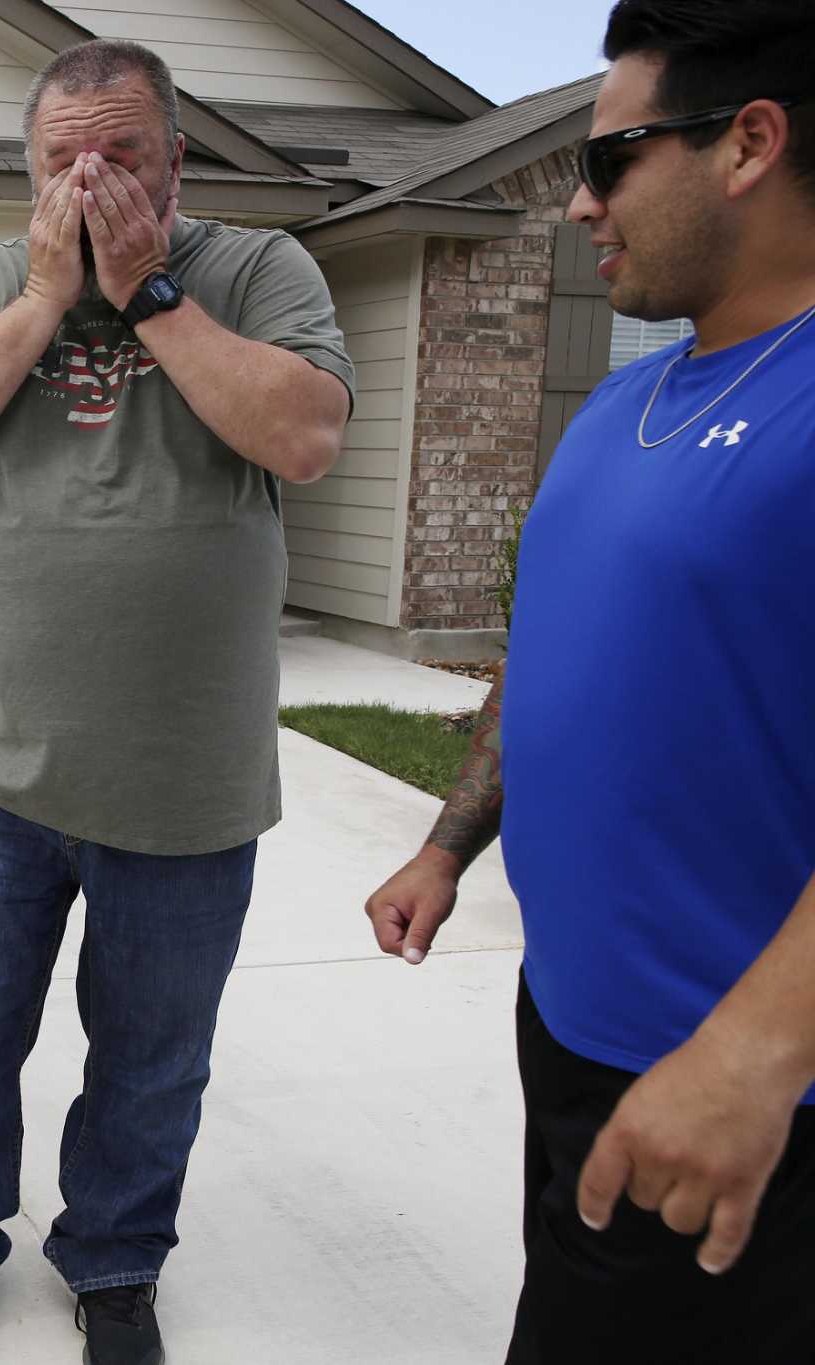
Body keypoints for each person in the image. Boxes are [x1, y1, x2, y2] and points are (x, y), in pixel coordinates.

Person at [0, 38, 353, 1365]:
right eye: (58, 159)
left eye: (121, 155)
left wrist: (145, 295)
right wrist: (37, 304)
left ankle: (117, 1261)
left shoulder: (258, 273)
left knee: (153, 1056)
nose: (87, 179)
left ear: (178, 163)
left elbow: (305, 434)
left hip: (186, 785)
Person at [361, 2, 815, 1360]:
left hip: (733, 1093)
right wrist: (450, 842)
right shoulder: (630, 402)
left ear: (747, 143)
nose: (574, 205)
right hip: (573, 1027)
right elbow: (552, 657)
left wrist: (759, 1050)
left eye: (609, 159)